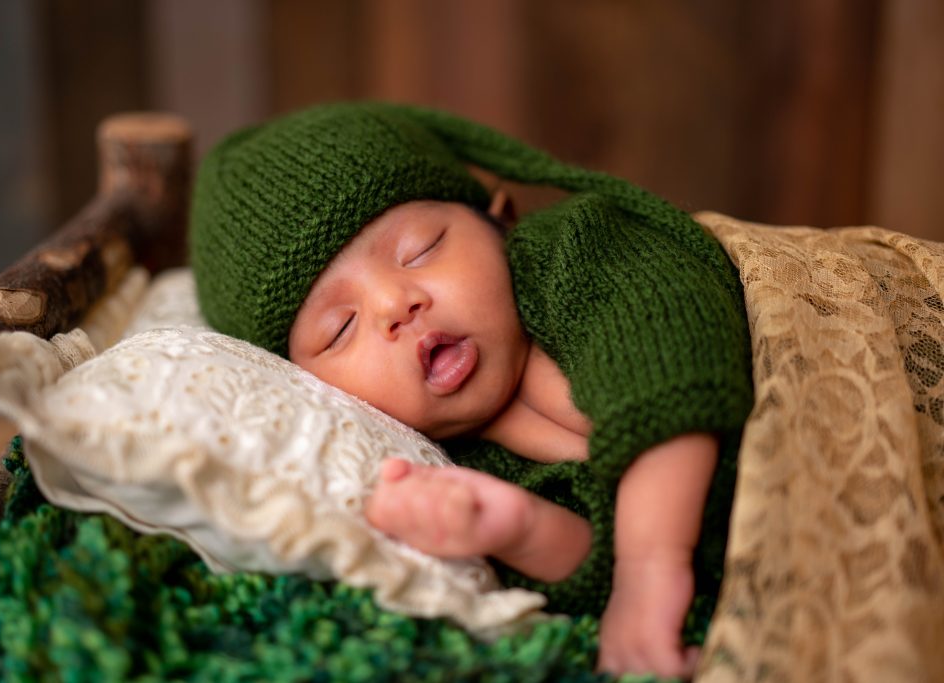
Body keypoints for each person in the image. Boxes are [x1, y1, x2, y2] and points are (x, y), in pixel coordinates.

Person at [189, 102, 754, 679]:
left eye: (421, 249)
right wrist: (519, 528)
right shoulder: (455, 460)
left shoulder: (579, 250)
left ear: (498, 218)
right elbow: (595, 567)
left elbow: (671, 355)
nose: (394, 305)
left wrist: (649, 572)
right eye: (340, 328)